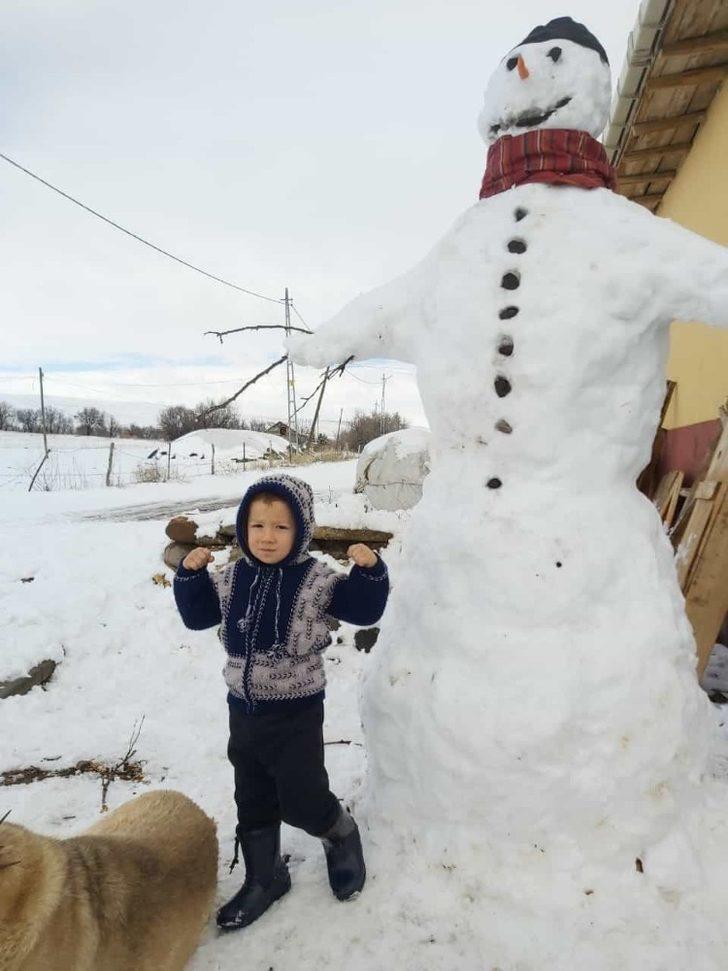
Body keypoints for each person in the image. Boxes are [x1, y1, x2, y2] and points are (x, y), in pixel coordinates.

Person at [173, 472, 389, 931]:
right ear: (244, 528)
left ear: (301, 532)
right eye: (257, 527)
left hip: (296, 711)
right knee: (252, 795)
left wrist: (369, 573)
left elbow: (363, 609)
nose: (267, 538)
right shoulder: (231, 577)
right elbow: (198, 617)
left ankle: (339, 831)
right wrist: (190, 576)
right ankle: (265, 876)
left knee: (301, 797)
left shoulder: (316, 581)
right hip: (243, 709)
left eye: (280, 527)